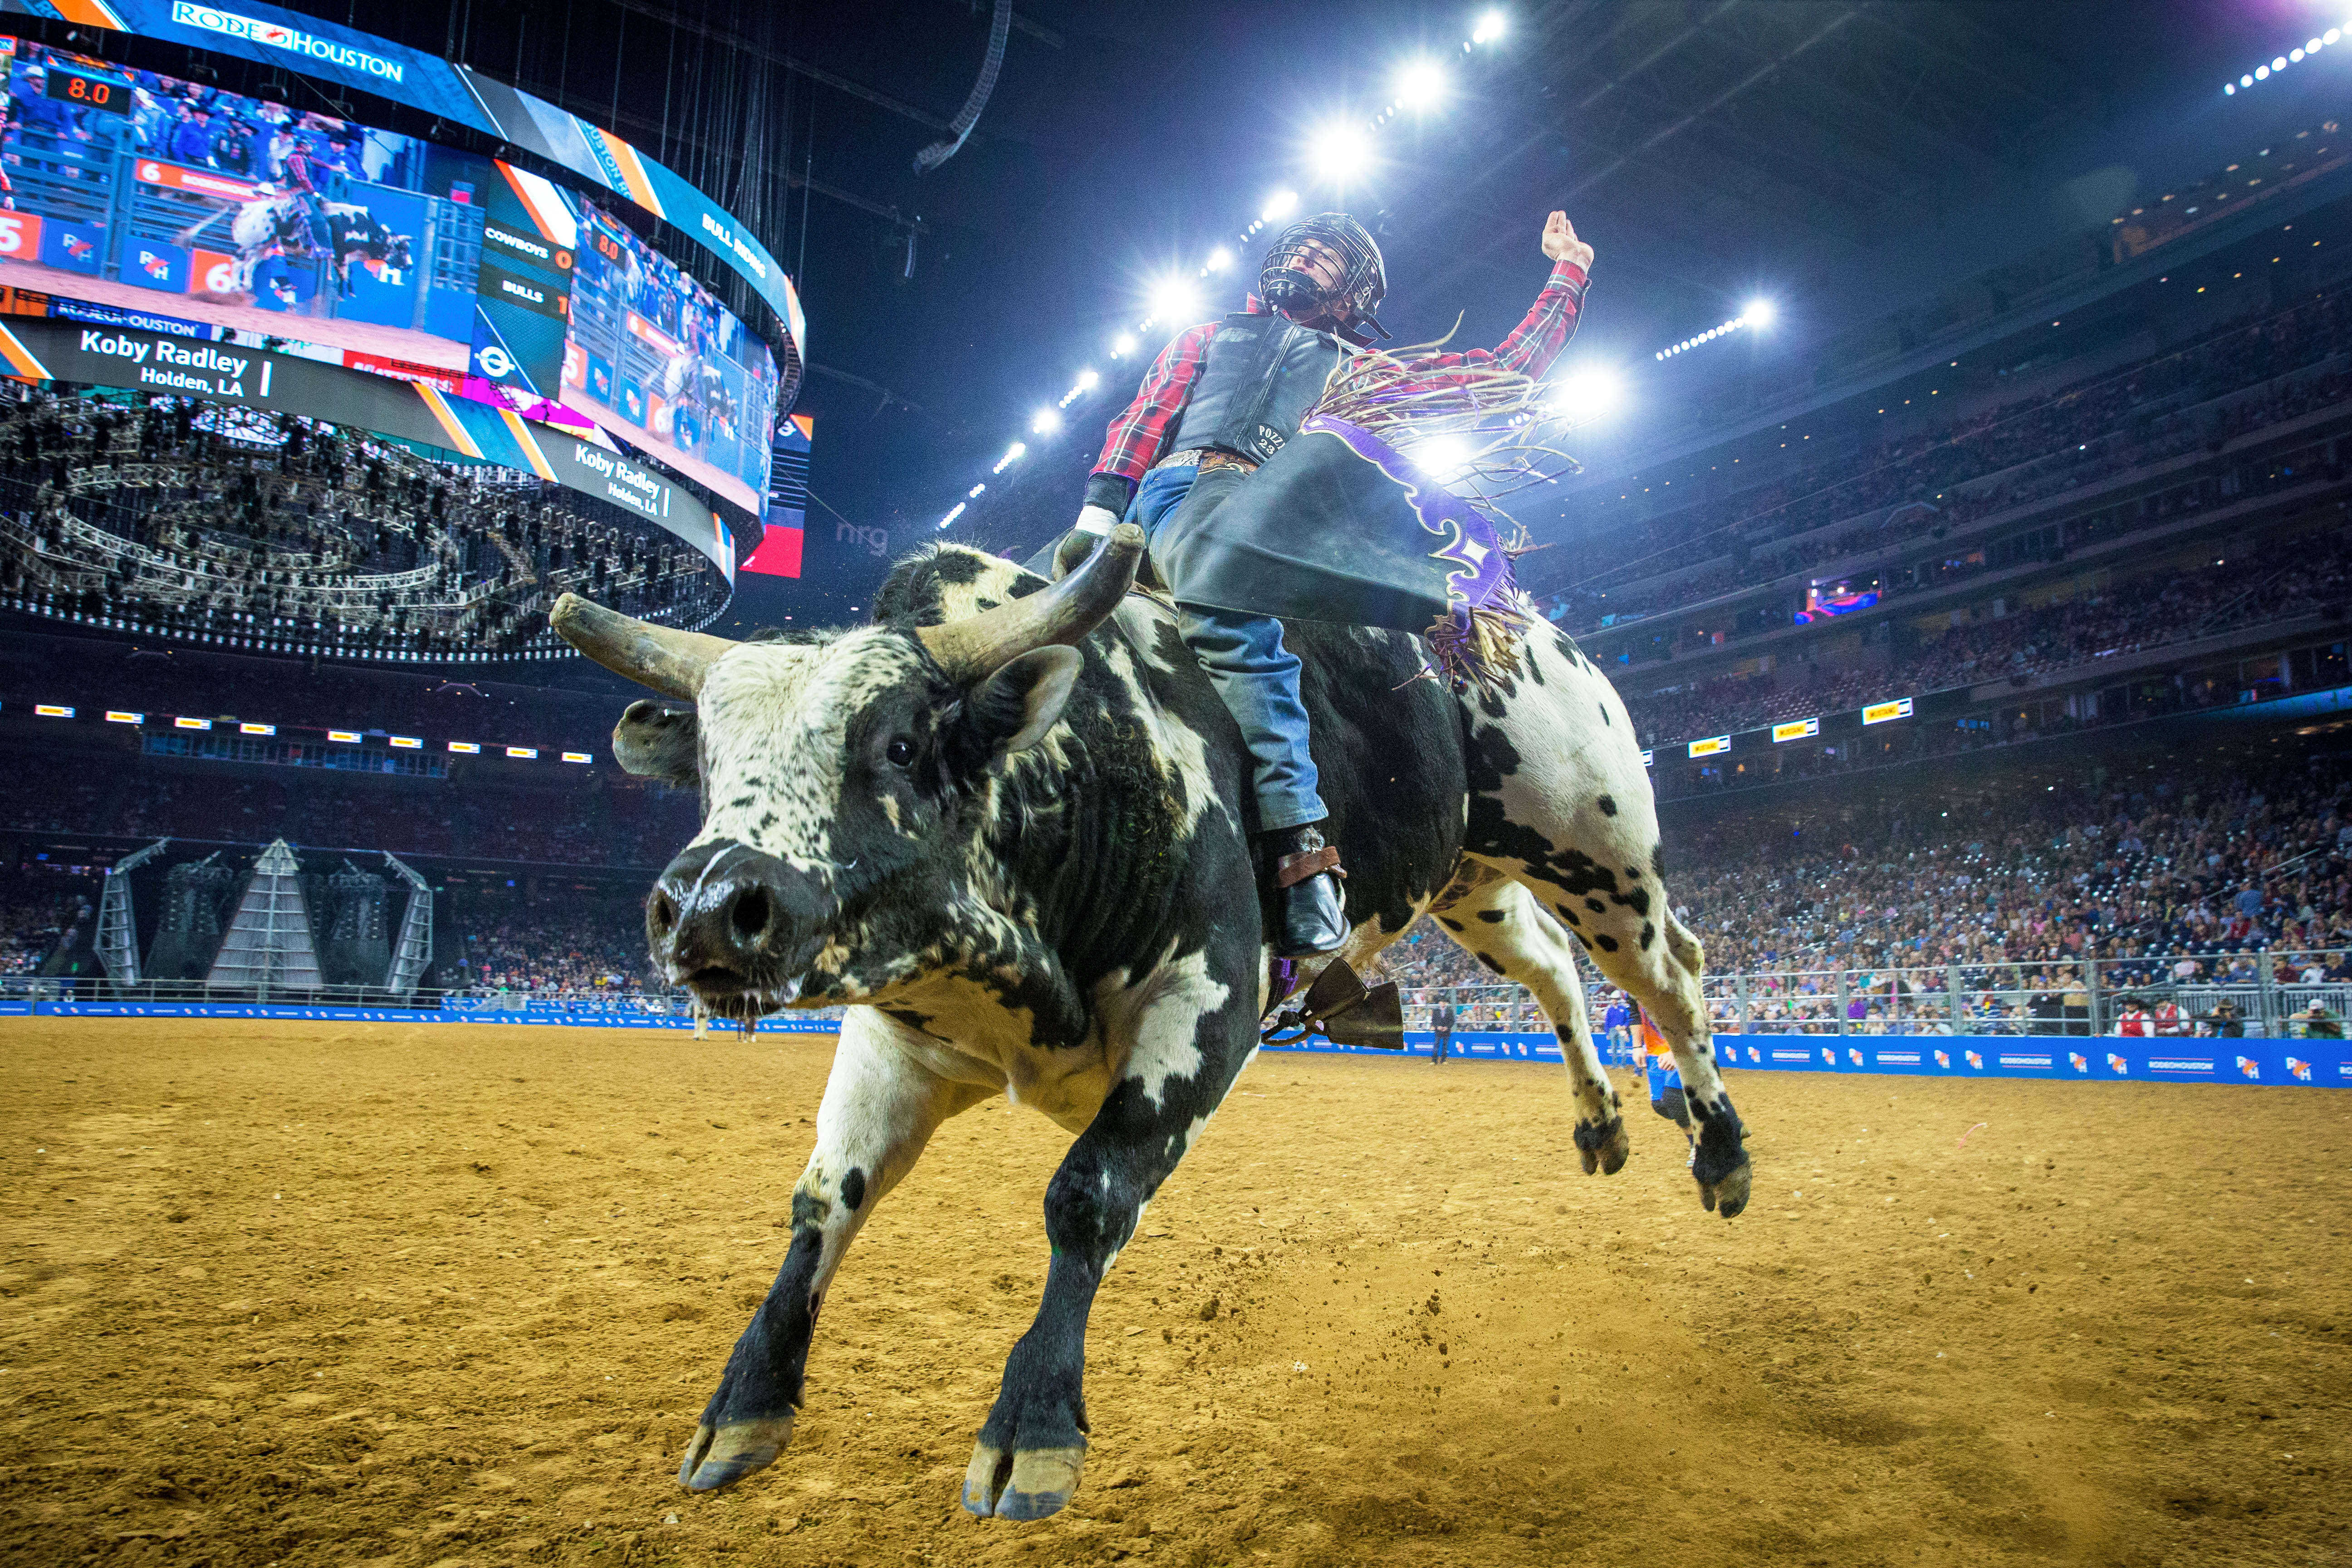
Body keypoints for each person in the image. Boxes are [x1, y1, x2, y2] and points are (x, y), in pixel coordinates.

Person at [1069, 209, 1593, 954]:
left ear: (1352, 296)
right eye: (1300, 249)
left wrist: (1566, 274)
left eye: (1324, 257)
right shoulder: (1203, 336)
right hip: (1162, 491)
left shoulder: (1363, 370)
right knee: (1026, 600)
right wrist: (1096, 512)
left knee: (1233, 629)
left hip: (1257, 509)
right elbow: (1143, 417)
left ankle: (1300, 848)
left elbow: (1497, 375)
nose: (1305, 257)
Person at [1640, 1008, 1695, 1166]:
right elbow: (1636, 1015)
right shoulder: (1632, 989)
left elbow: (1687, 1013)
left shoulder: (1668, 984)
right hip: (1655, 1051)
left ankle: (1697, 1145)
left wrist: (1674, 1049)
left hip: (1683, 1046)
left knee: (1674, 1097)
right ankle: (1730, 1124)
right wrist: (1637, 1046)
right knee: (1660, 1104)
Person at [1430, 997, 1455, 1065]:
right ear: (1439, 1003)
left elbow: (1452, 1021)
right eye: (1442, 1002)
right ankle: (1434, 1060)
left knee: (1445, 1046)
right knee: (1436, 1045)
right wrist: (1437, 1027)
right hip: (1438, 1031)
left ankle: (1443, 1060)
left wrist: (1447, 1027)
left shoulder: (1450, 1011)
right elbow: (1433, 1021)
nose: (1443, 1003)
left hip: (1446, 1031)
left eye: (1444, 1002)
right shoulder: (1436, 1011)